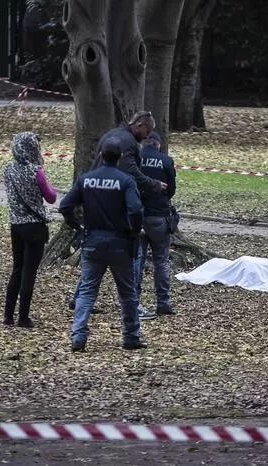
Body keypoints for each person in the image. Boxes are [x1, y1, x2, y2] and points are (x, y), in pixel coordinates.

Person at [68, 111, 166, 317]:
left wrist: (77, 225)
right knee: (133, 259)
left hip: (96, 207)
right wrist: (153, 184)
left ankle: (79, 299)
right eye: (147, 131)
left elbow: (66, 204)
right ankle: (134, 306)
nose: (148, 136)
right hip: (117, 209)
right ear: (139, 125)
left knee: (94, 261)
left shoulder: (111, 135)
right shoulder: (129, 143)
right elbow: (132, 174)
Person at [59, 139, 146, 352]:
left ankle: (78, 335)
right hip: (120, 243)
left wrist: (78, 227)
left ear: (100, 155)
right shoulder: (126, 181)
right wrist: (134, 231)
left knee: (87, 291)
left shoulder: (86, 180)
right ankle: (131, 336)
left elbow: (65, 206)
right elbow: (135, 210)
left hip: (92, 242)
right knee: (127, 292)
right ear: (120, 158)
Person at [3, 132, 57, 328]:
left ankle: (8, 315)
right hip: (35, 226)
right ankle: (23, 317)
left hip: (16, 225)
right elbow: (51, 197)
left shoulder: (8, 169)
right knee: (29, 272)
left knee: (17, 268)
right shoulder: (36, 172)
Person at [133, 131, 177, 317]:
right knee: (161, 261)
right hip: (159, 217)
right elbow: (172, 189)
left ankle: (134, 301)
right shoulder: (166, 161)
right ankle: (163, 302)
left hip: (137, 215)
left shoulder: (135, 160)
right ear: (158, 144)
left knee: (137, 260)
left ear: (144, 143)